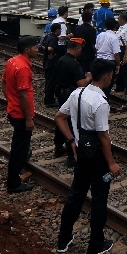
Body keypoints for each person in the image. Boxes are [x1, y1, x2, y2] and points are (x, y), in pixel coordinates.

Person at [55, 59, 121, 254]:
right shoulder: (100, 102)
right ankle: (95, 245)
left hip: (81, 154)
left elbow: (59, 117)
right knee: (99, 199)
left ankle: (63, 240)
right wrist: (111, 163)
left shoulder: (77, 93)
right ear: (107, 76)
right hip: (97, 158)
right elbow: (103, 136)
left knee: (76, 195)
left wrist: (72, 141)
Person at [2, 36, 39, 194]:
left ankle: (24, 154)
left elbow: (3, 82)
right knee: (18, 148)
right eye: (35, 47)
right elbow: (23, 95)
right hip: (21, 115)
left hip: (14, 110)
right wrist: (29, 118)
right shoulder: (23, 68)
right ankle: (13, 183)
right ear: (27, 50)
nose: (37, 49)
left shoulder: (12, 61)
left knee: (20, 145)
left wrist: (9, 100)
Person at [53, 38, 91, 166]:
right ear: (77, 48)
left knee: (61, 121)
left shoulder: (61, 60)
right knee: (71, 124)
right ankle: (71, 155)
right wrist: (88, 78)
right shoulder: (74, 64)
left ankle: (58, 147)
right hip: (71, 96)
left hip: (61, 93)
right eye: (80, 49)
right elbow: (81, 84)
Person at [95, 18, 122, 96]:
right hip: (109, 62)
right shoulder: (114, 37)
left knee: (99, 81)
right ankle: (105, 100)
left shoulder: (100, 35)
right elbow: (116, 54)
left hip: (99, 60)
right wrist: (118, 64)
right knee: (107, 84)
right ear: (114, 27)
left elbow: (96, 48)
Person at [114, 13, 127, 96]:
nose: (117, 20)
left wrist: (126, 55)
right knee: (120, 69)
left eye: (118, 18)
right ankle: (120, 87)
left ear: (122, 19)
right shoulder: (121, 28)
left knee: (125, 69)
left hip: (124, 50)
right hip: (119, 49)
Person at [43, 23, 62, 106]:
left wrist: (46, 51)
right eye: (60, 29)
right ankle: (50, 101)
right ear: (57, 30)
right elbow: (51, 48)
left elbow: (43, 46)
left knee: (48, 81)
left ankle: (47, 98)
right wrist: (53, 53)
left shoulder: (48, 36)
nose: (61, 31)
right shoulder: (54, 38)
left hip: (46, 61)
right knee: (51, 82)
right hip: (52, 63)